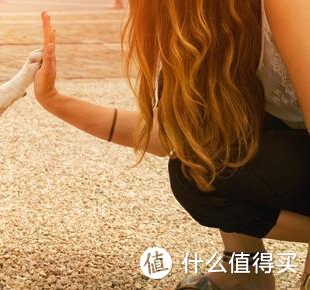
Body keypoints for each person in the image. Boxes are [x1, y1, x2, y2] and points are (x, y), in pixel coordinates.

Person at [34, 1, 310, 289]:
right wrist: (55, 100)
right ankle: (245, 269)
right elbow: (172, 137)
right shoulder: (192, 22)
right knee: (195, 171)